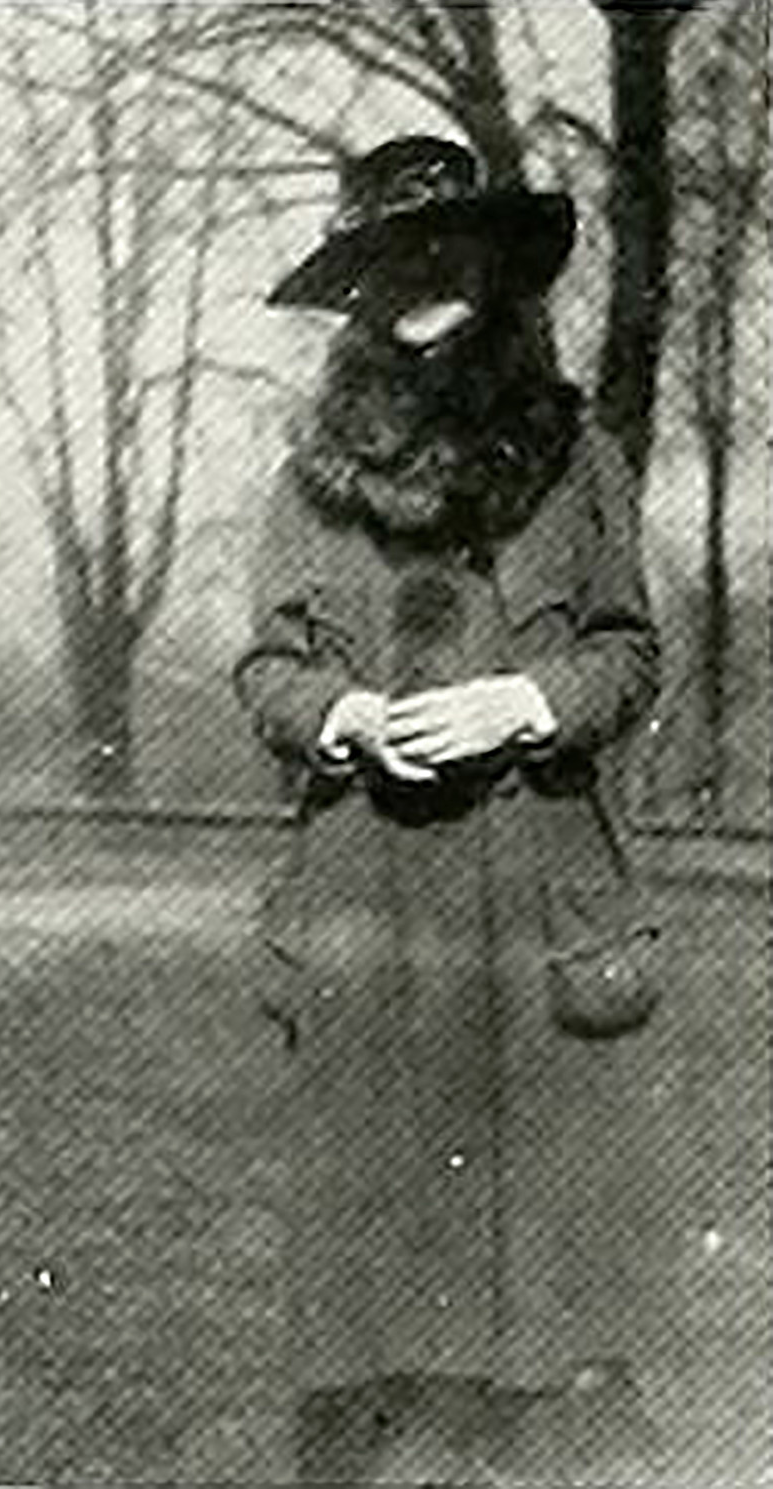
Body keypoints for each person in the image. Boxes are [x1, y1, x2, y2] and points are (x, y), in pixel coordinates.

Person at [235, 136, 663, 1486]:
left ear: (493, 269)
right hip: (366, 905)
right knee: (369, 1301)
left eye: (445, 250)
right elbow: (267, 670)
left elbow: (628, 653)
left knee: (544, 1312)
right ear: (357, 292)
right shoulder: (307, 485)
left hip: (531, 906)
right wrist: (347, 717)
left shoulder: (580, 462)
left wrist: (524, 703)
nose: (420, 279)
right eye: (388, 261)